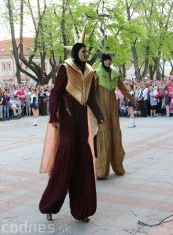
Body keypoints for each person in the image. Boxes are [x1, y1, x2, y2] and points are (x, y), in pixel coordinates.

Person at [39, 42, 104, 222]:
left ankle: (82, 209)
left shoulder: (90, 71)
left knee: (83, 162)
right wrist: (53, 115)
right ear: (76, 52)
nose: (86, 53)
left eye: (87, 51)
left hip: (81, 121)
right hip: (67, 120)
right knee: (65, 160)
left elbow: (90, 97)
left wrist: (99, 115)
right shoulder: (65, 68)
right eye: (83, 51)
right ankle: (49, 205)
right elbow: (56, 93)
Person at [94, 53, 135, 179]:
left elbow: (122, 88)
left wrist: (131, 98)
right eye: (106, 60)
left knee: (115, 133)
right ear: (102, 61)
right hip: (101, 106)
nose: (108, 62)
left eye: (109, 60)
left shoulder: (115, 72)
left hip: (112, 106)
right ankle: (101, 170)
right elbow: (91, 92)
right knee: (104, 133)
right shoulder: (96, 73)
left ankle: (118, 166)